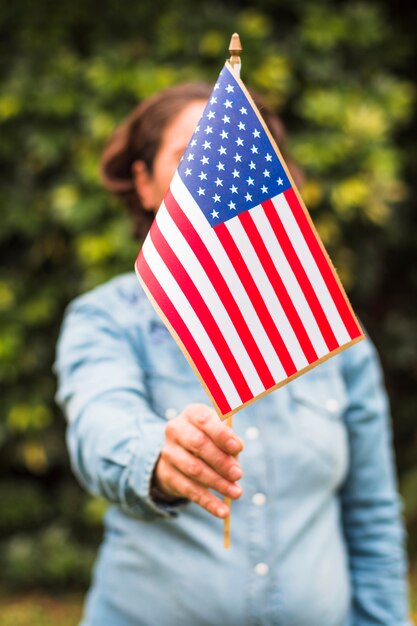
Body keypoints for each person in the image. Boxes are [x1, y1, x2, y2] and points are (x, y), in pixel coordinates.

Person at [54, 81, 411, 626]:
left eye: (240, 158)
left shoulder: (331, 335)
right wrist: (159, 457)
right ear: (144, 183)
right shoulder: (106, 318)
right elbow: (98, 425)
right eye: (189, 158)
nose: (217, 180)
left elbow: (372, 517)